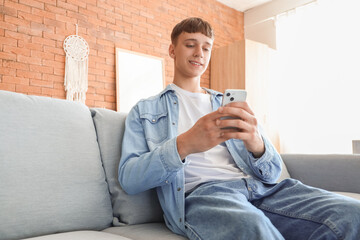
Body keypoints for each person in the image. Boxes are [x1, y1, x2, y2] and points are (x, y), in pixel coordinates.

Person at [118, 17, 360, 240]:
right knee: (254, 228)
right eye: (190, 44)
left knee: (351, 213)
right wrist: (185, 144)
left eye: (206, 47)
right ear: (172, 50)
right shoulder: (145, 110)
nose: (199, 53)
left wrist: (257, 145)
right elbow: (129, 178)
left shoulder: (228, 103)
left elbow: (273, 173)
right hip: (208, 196)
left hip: (262, 189)